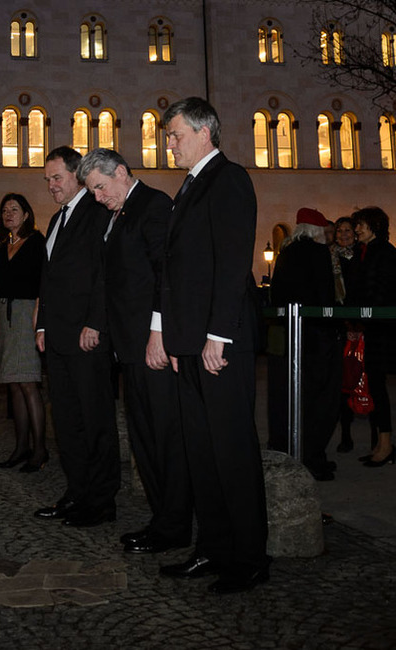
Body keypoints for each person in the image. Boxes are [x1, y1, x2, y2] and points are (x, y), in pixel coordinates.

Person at [156, 97, 269, 594]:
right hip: (193, 344)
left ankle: (249, 558)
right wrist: (179, 341)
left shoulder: (229, 179)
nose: (169, 143)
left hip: (222, 342)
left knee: (232, 452)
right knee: (202, 452)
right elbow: (180, 273)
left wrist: (217, 336)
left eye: (175, 134)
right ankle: (214, 548)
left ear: (205, 131)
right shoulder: (189, 186)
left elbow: (231, 262)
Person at [77, 148, 192, 554]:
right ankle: (161, 519)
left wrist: (158, 333)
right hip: (128, 347)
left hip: (151, 344)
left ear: (122, 173)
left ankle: (175, 524)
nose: (97, 197)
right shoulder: (118, 213)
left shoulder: (154, 204)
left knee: (164, 436)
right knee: (144, 438)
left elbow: (166, 273)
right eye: (92, 191)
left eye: (100, 187)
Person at [32, 146, 119, 528]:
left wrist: (96, 323)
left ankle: (101, 501)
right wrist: (42, 326)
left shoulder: (96, 212)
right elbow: (49, 280)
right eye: (47, 180)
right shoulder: (55, 221)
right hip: (58, 340)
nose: (51, 186)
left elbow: (105, 274)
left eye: (57, 178)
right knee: (66, 422)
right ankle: (77, 492)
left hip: (87, 338)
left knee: (95, 420)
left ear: (77, 175)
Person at [267, 208, 341, 481]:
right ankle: (313, 458)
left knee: (293, 398)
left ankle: (289, 452)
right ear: (317, 232)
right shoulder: (318, 253)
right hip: (317, 339)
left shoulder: (287, 252)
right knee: (320, 402)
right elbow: (325, 297)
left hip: (291, 338)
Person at [0, 193, 48, 472]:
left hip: (27, 316)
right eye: (5, 209)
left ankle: (40, 449)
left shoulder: (36, 242)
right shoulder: (0, 249)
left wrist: (38, 316)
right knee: (13, 385)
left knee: (29, 384)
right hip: (4, 318)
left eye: (15, 209)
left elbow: (42, 283)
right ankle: (21, 447)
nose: (9, 213)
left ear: (26, 214)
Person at [348, 207, 396, 467]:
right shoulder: (364, 252)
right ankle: (382, 442)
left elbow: (381, 292)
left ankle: (386, 444)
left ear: (374, 226)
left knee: (378, 386)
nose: (357, 230)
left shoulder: (385, 253)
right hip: (374, 328)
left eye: (361, 225)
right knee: (375, 386)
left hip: (383, 330)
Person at [331, 216, 360, 452]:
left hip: (362, 323)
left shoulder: (362, 255)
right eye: (339, 230)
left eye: (347, 230)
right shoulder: (330, 257)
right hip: (339, 324)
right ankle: (346, 434)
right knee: (344, 381)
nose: (343, 234)